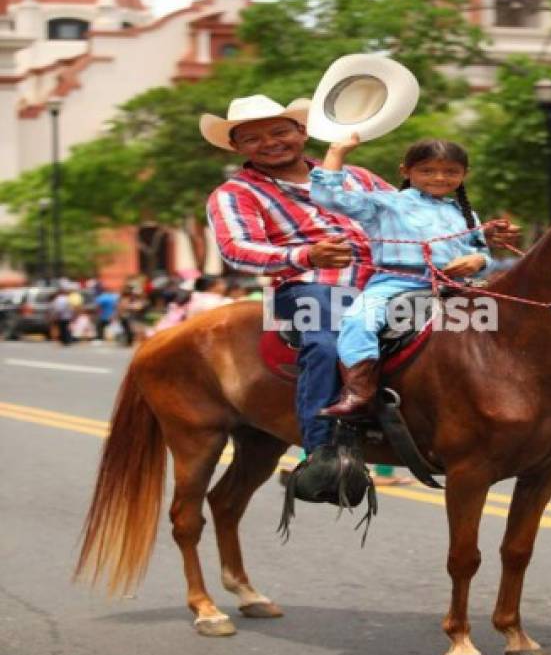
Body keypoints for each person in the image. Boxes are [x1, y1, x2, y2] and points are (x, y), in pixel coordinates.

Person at [202, 95, 517, 487]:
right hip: (312, 286)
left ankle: (540, 423)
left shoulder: (359, 177)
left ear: (301, 132)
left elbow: (416, 213)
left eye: (280, 131)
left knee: (501, 323)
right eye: (252, 138)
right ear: (236, 147)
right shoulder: (234, 194)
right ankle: (323, 453)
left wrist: (478, 237)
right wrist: (307, 255)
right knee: (326, 342)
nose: (269, 142)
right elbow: (237, 249)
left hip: (405, 279)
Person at [310, 135, 491, 417]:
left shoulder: (467, 215)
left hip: (457, 287)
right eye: (427, 170)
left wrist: (477, 260)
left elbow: (482, 252)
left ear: (464, 174)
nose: (440, 177)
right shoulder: (384, 204)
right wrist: (337, 151)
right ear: (405, 171)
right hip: (395, 284)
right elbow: (328, 197)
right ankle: (359, 391)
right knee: (359, 320)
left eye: (451, 171)